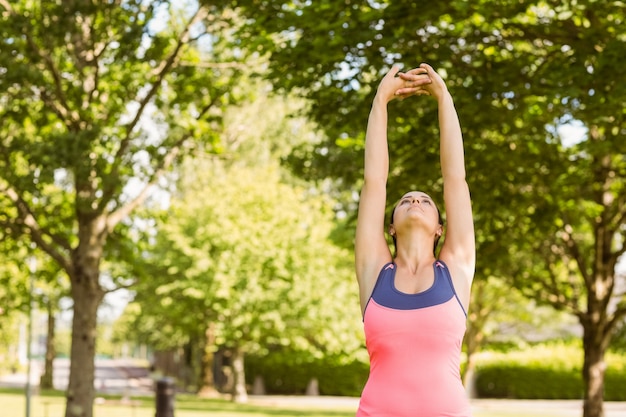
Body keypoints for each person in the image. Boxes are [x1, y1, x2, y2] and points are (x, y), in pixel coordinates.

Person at [354, 63, 475, 417]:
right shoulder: (374, 270)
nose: (415, 201)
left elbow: (456, 179)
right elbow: (374, 180)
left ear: (441, 227)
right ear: (390, 226)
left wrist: (444, 99)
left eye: (425, 200)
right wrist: (380, 102)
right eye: (406, 199)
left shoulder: (456, 266)